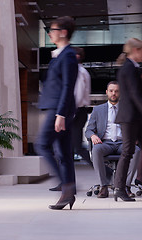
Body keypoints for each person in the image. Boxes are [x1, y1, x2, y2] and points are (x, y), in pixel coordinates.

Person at [35, 16, 77, 210]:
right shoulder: (61, 55)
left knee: (42, 145)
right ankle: (67, 195)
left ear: (63, 32)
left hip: (58, 109)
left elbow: (68, 86)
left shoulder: (68, 55)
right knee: (64, 153)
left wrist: (60, 114)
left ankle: (67, 187)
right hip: (60, 108)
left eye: (51, 30)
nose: (49, 33)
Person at [113, 38, 142, 202]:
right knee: (127, 152)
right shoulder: (128, 68)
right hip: (130, 117)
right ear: (135, 50)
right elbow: (134, 94)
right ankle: (119, 187)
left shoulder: (132, 67)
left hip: (135, 117)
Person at [85, 81, 140, 198]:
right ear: (107, 92)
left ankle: (125, 186)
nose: (113, 93)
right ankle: (104, 186)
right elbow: (88, 130)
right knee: (96, 150)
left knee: (137, 150)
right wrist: (93, 136)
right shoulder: (98, 110)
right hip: (105, 143)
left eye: (116, 91)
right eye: (111, 91)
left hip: (123, 143)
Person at [48, 47, 92, 192]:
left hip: (75, 112)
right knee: (66, 149)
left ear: (77, 56)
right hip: (76, 112)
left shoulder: (79, 72)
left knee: (72, 148)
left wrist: (68, 113)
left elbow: (77, 95)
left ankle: (107, 172)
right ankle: (67, 182)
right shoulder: (80, 71)